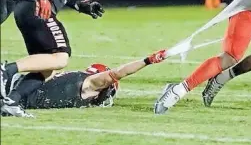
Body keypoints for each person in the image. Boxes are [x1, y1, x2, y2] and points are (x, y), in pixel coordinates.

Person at [0, 50, 166, 116]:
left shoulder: (79, 80)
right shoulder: (90, 84)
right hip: (9, 91)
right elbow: (118, 73)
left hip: (13, 91)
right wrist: (148, 60)